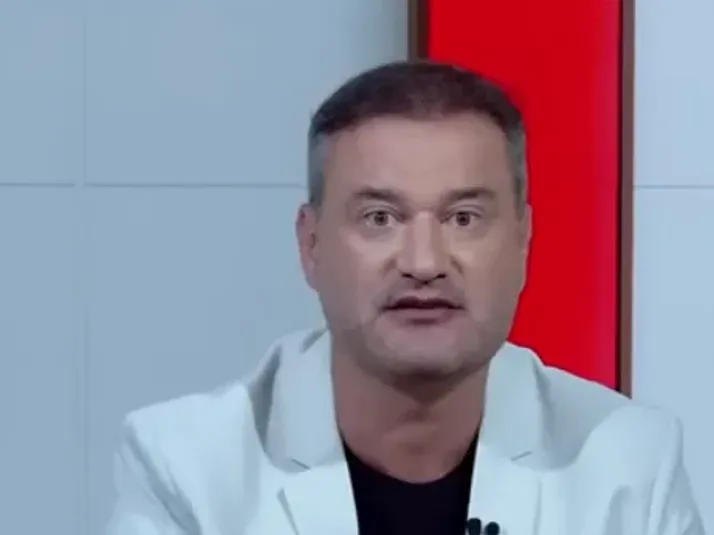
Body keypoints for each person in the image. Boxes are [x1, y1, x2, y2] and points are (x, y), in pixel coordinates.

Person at [105, 61, 704, 535]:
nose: (424, 263)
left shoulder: (627, 464)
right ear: (311, 245)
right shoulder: (187, 468)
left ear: (523, 240)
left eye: (464, 218)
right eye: (380, 218)